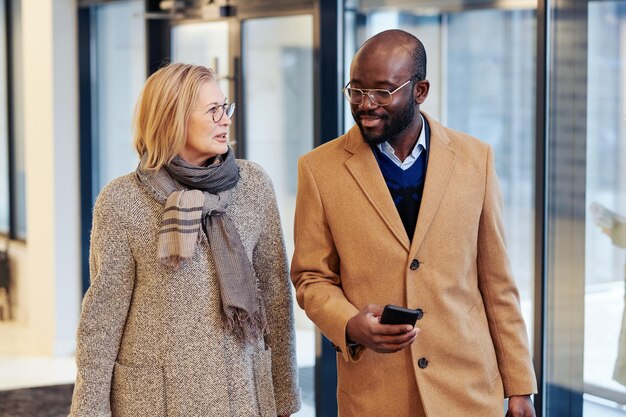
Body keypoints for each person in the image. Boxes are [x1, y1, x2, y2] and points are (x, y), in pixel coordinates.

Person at [291, 29, 537, 417]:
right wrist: (349, 325)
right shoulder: (319, 169)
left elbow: (497, 283)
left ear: (420, 90)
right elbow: (311, 276)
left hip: (469, 390)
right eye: (355, 90)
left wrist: (520, 385)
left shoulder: (477, 160)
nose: (365, 104)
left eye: (383, 92)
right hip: (376, 393)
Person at [69, 63, 300, 417]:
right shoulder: (121, 201)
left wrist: (284, 398)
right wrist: (90, 411)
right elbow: (102, 319)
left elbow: (276, 296)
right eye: (213, 111)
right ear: (172, 118)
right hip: (157, 399)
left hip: (242, 393)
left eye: (226, 107)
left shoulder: (254, 186)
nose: (225, 119)